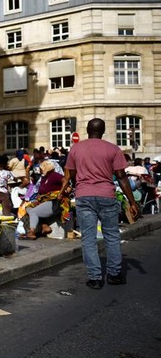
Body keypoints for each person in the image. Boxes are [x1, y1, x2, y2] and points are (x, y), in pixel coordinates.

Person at [60, 118, 139, 289]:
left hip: (84, 195)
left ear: (87, 130)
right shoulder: (113, 149)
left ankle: (95, 278)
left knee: (88, 238)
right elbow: (121, 177)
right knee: (111, 236)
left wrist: (75, 186)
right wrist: (132, 202)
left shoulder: (76, 149)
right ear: (103, 131)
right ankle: (114, 275)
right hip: (107, 195)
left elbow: (70, 174)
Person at [20, 161, 69, 240]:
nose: (39, 170)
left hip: (55, 202)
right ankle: (44, 225)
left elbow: (65, 180)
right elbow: (40, 192)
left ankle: (32, 232)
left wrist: (60, 193)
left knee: (33, 212)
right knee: (28, 208)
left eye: (41, 169)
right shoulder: (43, 178)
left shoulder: (54, 175)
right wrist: (37, 201)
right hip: (44, 201)